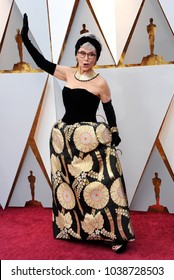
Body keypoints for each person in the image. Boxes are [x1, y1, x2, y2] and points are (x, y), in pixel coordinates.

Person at [21, 13, 135, 253]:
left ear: (96, 58)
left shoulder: (101, 82)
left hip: (90, 139)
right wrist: (25, 38)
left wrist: (114, 132)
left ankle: (115, 235)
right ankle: (74, 229)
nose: (86, 58)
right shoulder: (67, 73)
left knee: (102, 186)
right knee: (68, 187)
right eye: (82, 53)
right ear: (76, 54)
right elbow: (42, 63)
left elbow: (109, 108)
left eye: (91, 54)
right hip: (65, 140)